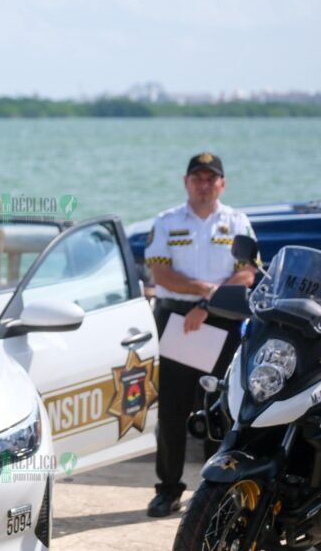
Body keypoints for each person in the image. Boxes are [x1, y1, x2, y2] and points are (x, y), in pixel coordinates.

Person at [144, 152, 257, 517]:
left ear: (222, 184)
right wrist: (206, 293)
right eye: (198, 178)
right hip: (177, 322)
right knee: (173, 410)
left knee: (219, 409)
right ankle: (168, 489)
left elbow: (247, 275)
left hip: (221, 321)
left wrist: (206, 304)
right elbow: (161, 275)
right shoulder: (166, 222)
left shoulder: (238, 222)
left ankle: (214, 492)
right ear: (186, 182)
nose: (204, 184)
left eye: (211, 178)